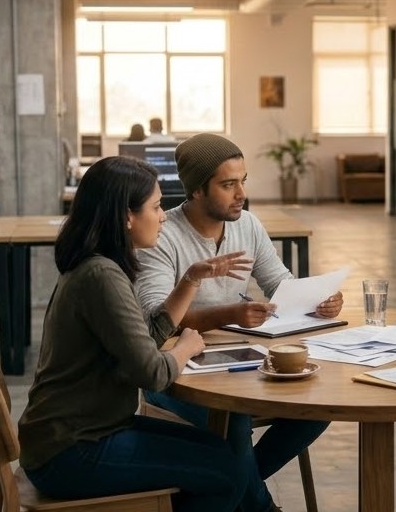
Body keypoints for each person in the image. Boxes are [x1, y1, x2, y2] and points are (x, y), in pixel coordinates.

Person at [17, 156, 250, 512]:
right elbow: (153, 373)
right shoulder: (102, 277)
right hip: (72, 451)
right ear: (126, 216)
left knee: (221, 452)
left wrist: (191, 278)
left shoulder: (98, 265)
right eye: (156, 207)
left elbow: (149, 338)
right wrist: (186, 346)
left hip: (81, 433)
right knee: (227, 473)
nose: (164, 216)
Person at [135, 133, 343, 512]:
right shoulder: (162, 234)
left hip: (241, 362)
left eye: (243, 181)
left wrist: (318, 299)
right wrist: (228, 314)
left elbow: (279, 283)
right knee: (234, 419)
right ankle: (259, 506)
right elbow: (157, 318)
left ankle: (226, 491)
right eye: (228, 184)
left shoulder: (247, 225)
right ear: (197, 190)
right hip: (178, 373)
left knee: (318, 407)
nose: (241, 193)